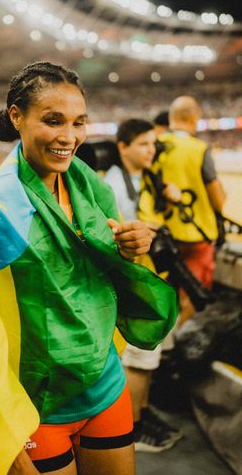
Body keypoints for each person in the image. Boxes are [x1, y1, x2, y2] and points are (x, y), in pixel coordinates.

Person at [0, 62, 178, 475]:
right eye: (53, 121)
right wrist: (0, 434)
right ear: (16, 117)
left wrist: (130, 248)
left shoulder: (90, 187)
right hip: (35, 405)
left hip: (104, 380)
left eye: (79, 123)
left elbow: (102, 274)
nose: (69, 137)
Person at [105, 119, 182, 452]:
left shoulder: (145, 178)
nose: (151, 149)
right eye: (143, 144)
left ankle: (143, 412)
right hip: (134, 284)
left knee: (150, 355)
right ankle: (133, 428)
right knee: (138, 359)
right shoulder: (114, 185)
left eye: (153, 143)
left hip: (151, 280)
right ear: (122, 147)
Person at [150, 95, 226, 323]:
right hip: (197, 235)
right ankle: (176, 345)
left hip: (161, 234)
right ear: (194, 118)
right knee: (194, 292)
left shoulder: (153, 146)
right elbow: (218, 201)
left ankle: (162, 344)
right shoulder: (199, 148)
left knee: (165, 291)